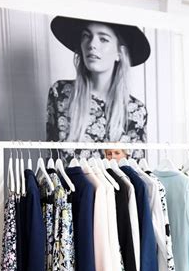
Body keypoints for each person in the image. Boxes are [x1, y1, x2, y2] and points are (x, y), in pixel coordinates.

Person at [46, 16, 150, 162]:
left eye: (103, 39)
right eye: (86, 36)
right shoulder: (61, 94)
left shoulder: (135, 111)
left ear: (119, 53)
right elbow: (51, 161)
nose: (92, 44)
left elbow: (138, 172)